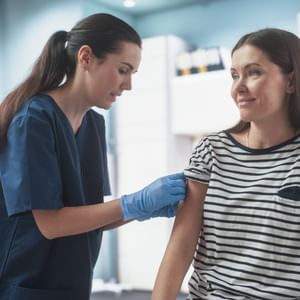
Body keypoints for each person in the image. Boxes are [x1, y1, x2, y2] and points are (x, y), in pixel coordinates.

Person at [0, 13, 186, 300]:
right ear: (86, 57)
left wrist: (142, 209)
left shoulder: (93, 124)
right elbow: (51, 224)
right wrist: (132, 203)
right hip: (27, 286)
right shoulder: (34, 120)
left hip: (73, 285)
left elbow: (91, 215)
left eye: (132, 74)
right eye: (123, 70)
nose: (128, 85)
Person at [151, 27, 300, 300]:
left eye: (253, 72)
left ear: (291, 81)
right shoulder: (211, 151)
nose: (238, 87)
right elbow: (180, 249)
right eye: (234, 75)